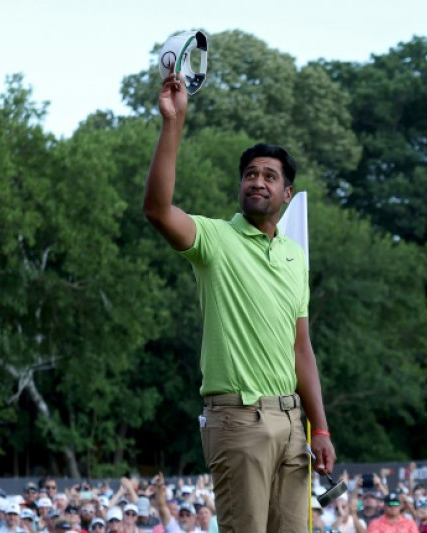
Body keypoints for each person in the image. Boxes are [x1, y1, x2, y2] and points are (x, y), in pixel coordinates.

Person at [143, 59, 335, 533]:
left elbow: (301, 348)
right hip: (237, 420)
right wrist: (174, 122)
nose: (258, 181)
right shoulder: (214, 240)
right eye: (250, 173)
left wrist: (321, 426)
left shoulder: (294, 256)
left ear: (286, 193)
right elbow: (157, 208)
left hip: (293, 425)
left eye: (270, 176)